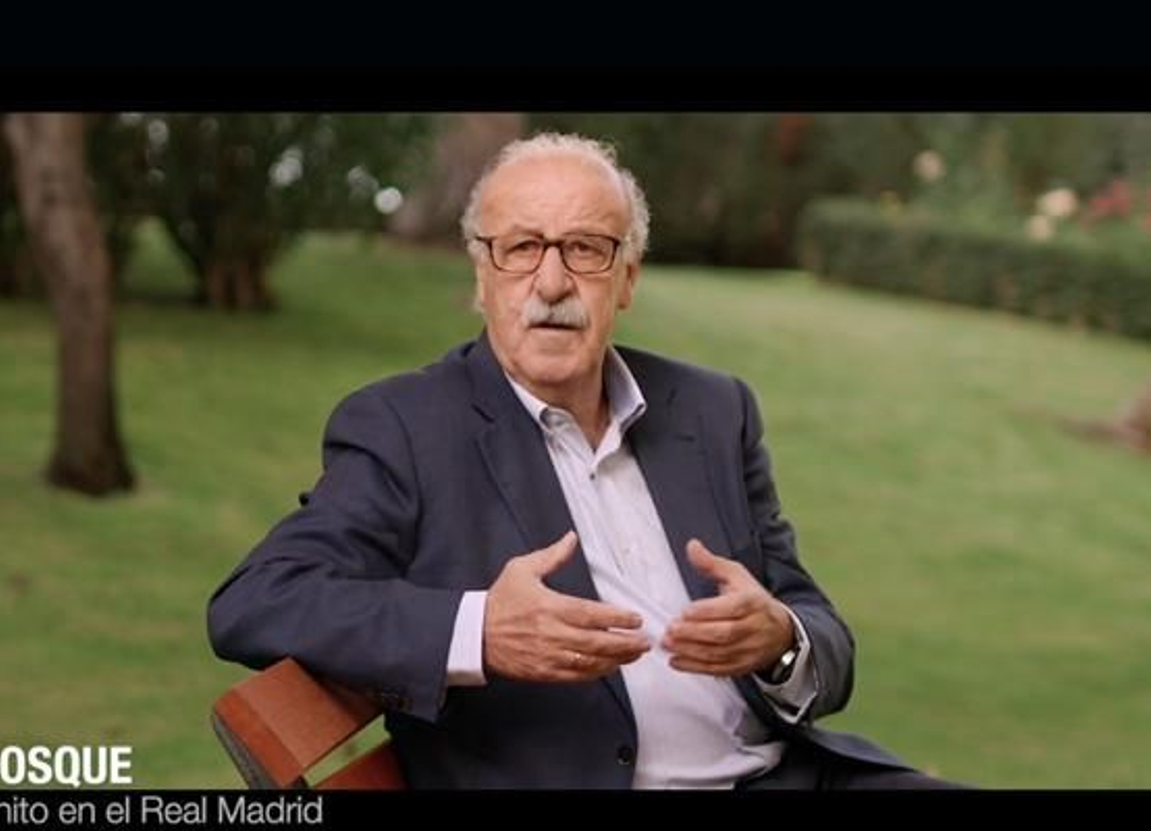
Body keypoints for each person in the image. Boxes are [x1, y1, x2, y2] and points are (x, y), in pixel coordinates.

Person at [208, 132, 953, 789]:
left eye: (586, 249)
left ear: (627, 278)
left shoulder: (712, 410)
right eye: (522, 248)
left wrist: (780, 641)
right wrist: (479, 630)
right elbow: (257, 601)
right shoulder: (405, 427)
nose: (553, 282)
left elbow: (823, 636)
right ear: (482, 275)